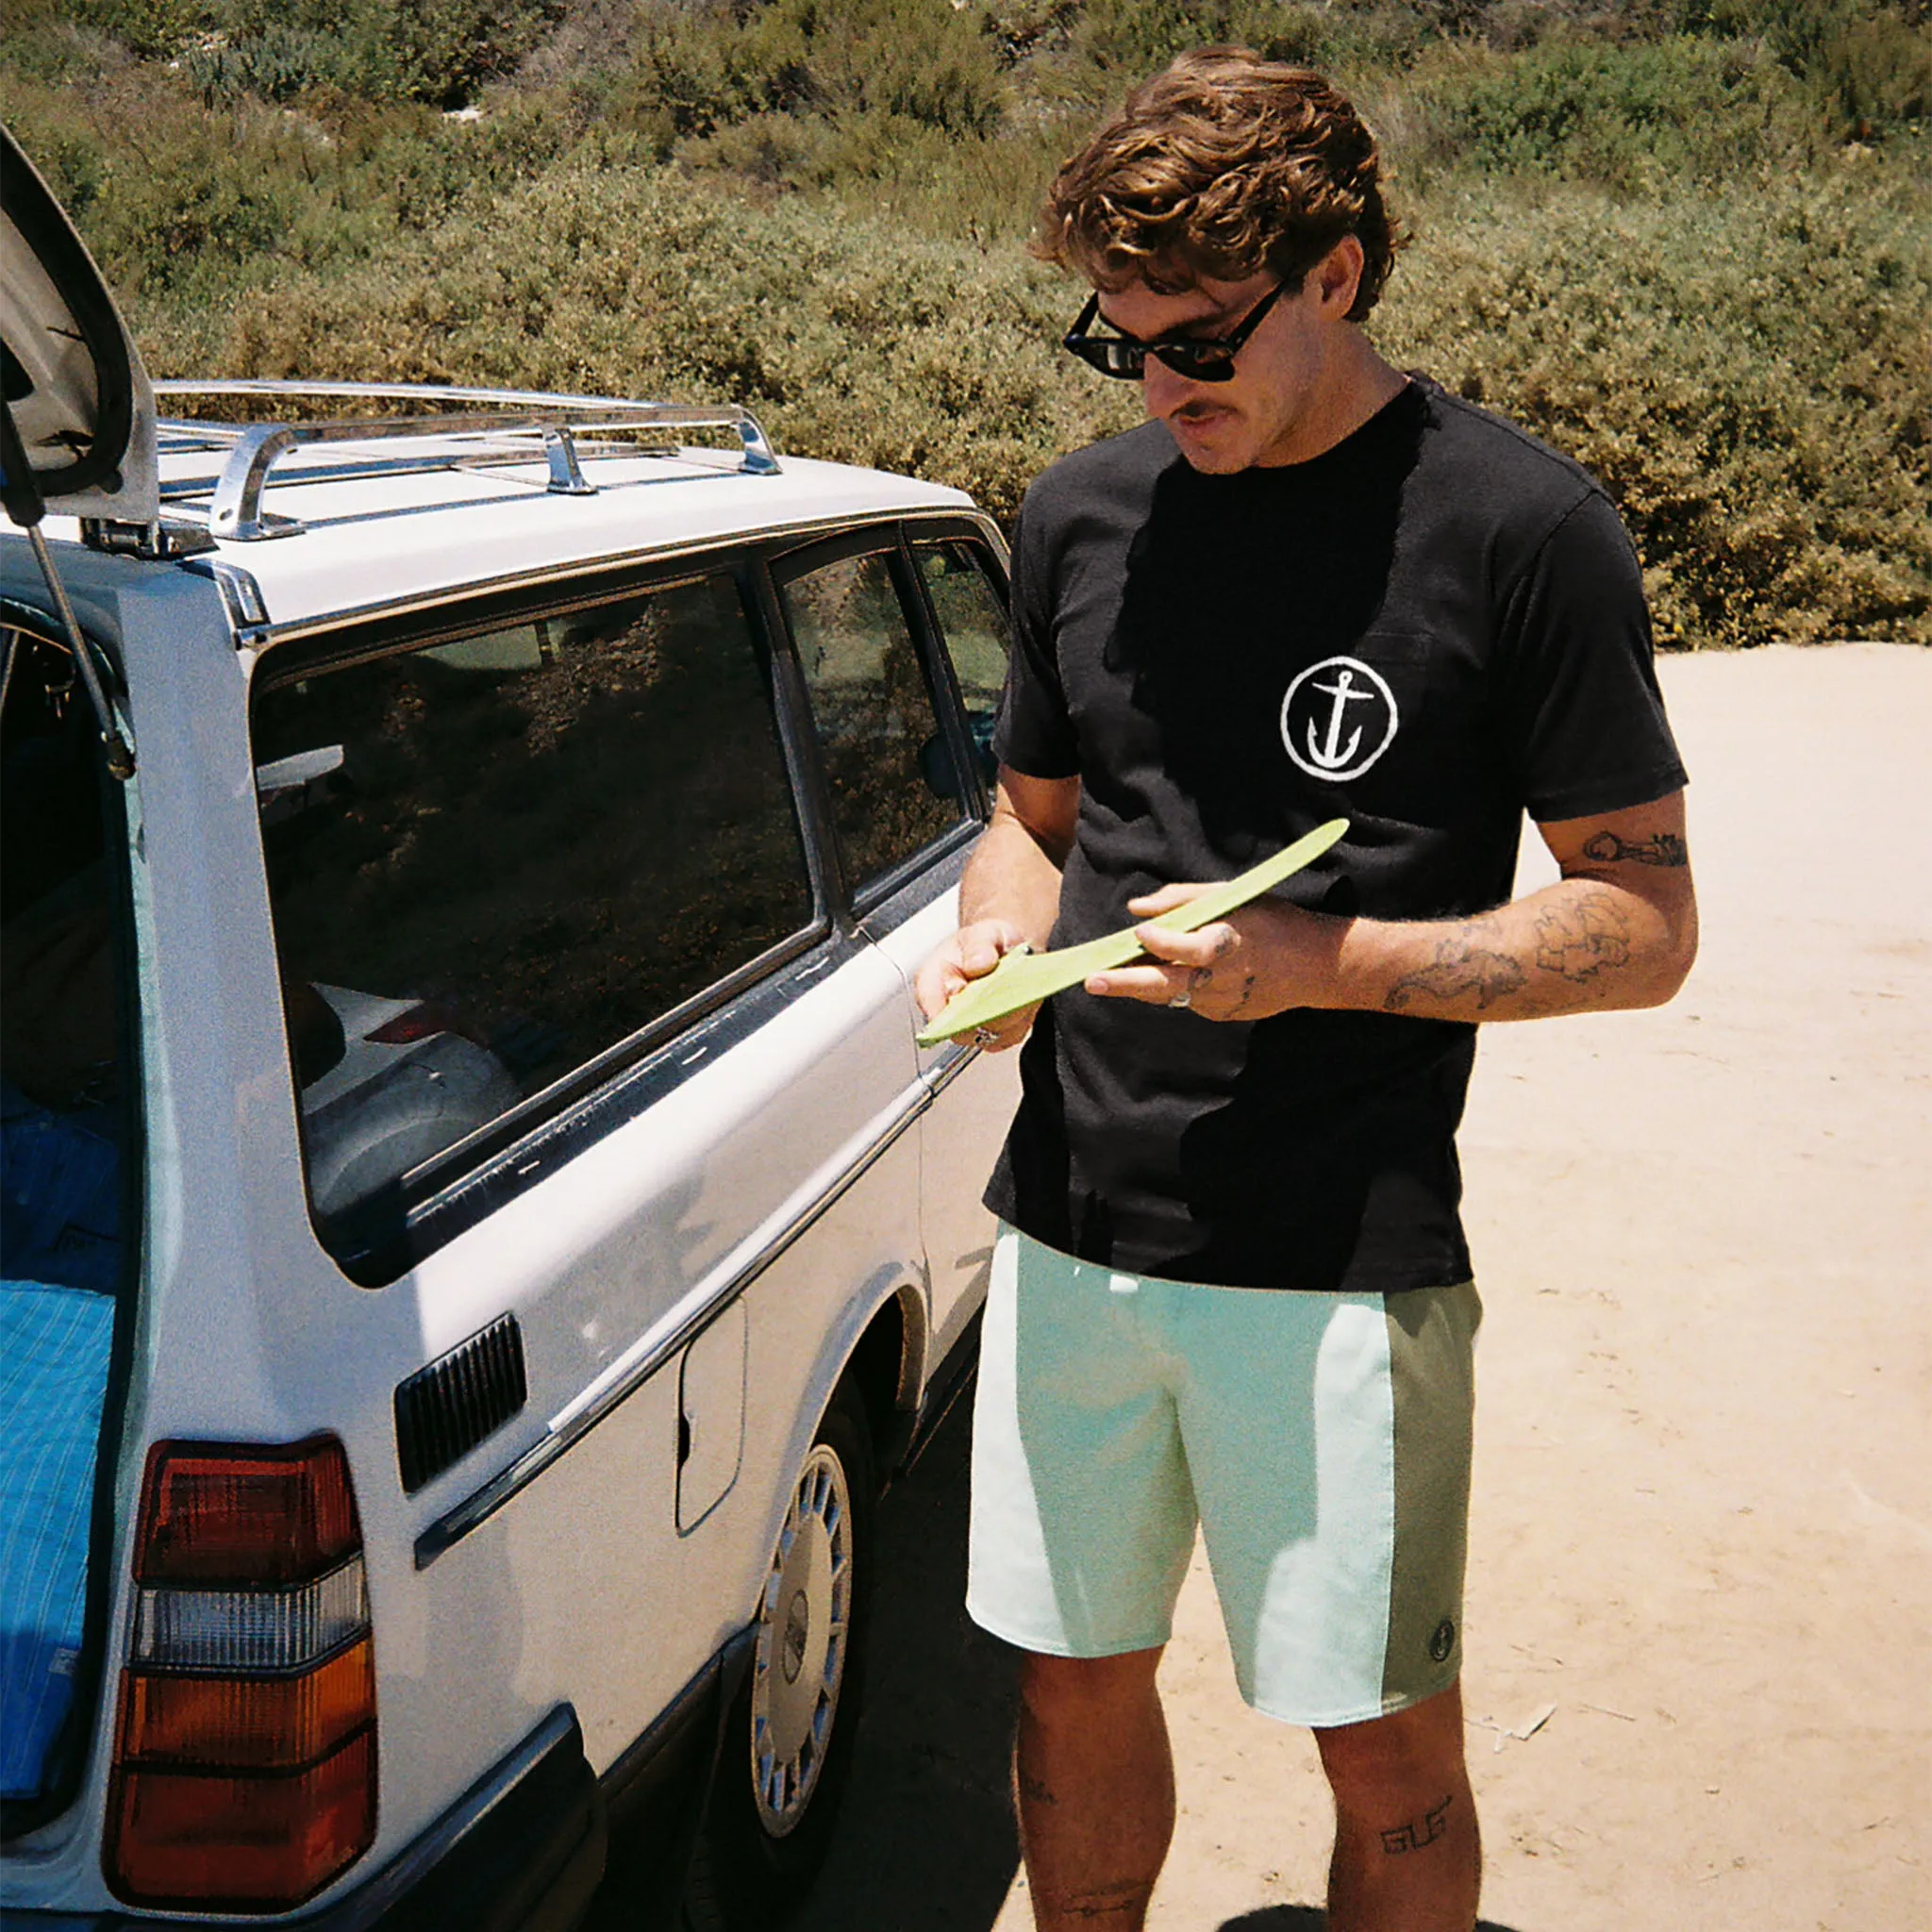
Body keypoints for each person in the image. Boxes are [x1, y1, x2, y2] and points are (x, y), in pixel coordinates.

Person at [913, 47, 1698, 1932]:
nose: (1158, 384)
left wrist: (1320, 966)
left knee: (1379, 1741)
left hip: (1339, 1253)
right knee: (1068, 1679)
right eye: (1118, 346)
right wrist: (993, 934)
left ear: (1333, 276)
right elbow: (1029, 818)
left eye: (1195, 340)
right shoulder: (1082, 515)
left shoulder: (1519, 531)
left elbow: (1644, 923)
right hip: (1076, 1224)